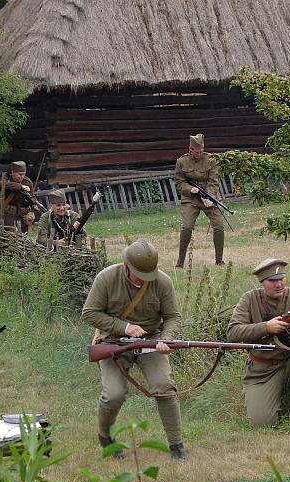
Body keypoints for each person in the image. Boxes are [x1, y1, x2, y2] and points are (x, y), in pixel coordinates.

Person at [82, 240, 187, 460]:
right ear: (125, 265)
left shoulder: (163, 282)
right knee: (114, 394)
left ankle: (176, 445)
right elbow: (90, 313)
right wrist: (125, 327)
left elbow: (172, 317)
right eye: (140, 273)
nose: (144, 279)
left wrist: (166, 340)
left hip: (151, 342)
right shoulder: (107, 278)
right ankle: (106, 437)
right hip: (113, 341)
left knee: (163, 386)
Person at [226, 259, 290, 427]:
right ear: (262, 282)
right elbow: (232, 333)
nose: (279, 284)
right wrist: (266, 327)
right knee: (261, 423)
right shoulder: (249, 299)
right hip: (262, 370)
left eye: (281, 279)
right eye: (272, 281)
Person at [173, 134, 225, 267]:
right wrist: (190, 189)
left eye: (201, 151)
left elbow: (213, 181)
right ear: (190, 149)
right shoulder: (181, 162)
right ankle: (180, 262)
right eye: (196, 152)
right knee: (187, 227)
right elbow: (179, 183)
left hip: (208, 197)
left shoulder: (211, 160)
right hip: (191, 199)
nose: (199, 154)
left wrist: (210, 197)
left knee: (219, 226)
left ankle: (219, 261)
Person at [0, 160, 37, 232]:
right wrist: (21, 186)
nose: (22, 176)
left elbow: (31, 196)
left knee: (24, 235)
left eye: (23, 174)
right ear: (12, 172)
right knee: (10, 234)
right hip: (9, 214)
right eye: (19, 174)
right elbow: (3, 184)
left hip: (23, 214)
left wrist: (34, 205)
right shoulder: (6, 179)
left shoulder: (27, 182)